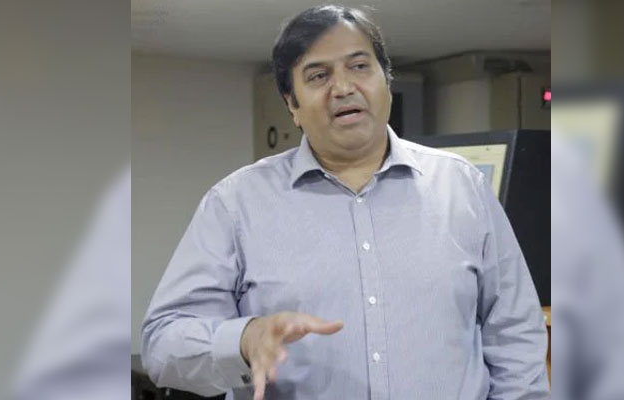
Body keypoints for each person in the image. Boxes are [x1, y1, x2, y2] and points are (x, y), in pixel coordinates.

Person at [141, 5, 549, 400]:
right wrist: (244, 339)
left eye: (359, 66)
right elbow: (162, 344)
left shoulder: (462, 187)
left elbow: (515, 332)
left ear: (386, 81)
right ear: (292, 104)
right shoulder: (236, 204)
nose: (343, 87)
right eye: (318, 75)